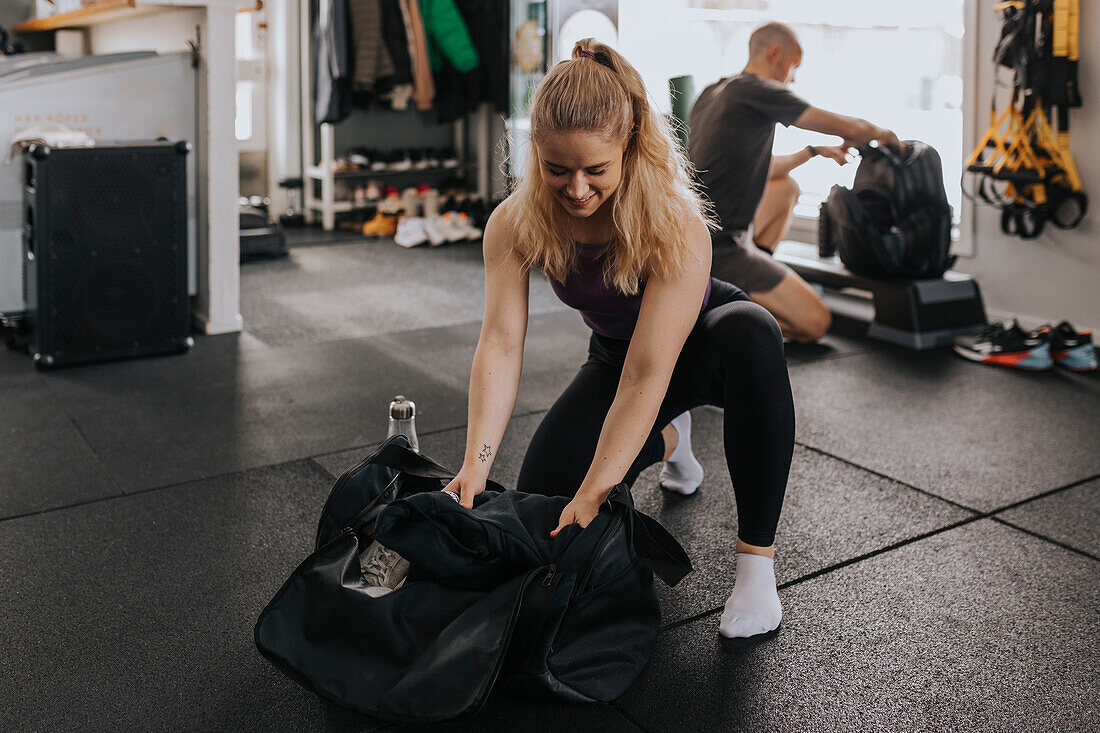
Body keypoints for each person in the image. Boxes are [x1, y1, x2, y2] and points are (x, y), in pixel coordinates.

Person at [440, 39, 796, 639]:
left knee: (755, 334)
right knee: (548, 510)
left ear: (629, 150)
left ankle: (756, 566)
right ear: (536, 153)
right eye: (557, 170)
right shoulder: (514, 221)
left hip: (699, 349)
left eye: (596, 170)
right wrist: (475, 467)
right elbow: (500, 342)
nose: (577, 189)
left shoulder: (675, 221)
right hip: (614, 359)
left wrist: (599, 487)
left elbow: (650, 372)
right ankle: (668, 440)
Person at [688, 21, 903, 342]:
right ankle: (722, 315)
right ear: (775, 53)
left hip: (694, 236)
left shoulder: (715, 91)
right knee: (816, 322)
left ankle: (736, 293)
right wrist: (884, 135)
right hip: (719, 249)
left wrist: (813, 152)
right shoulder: (759, 90)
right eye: (794, 66)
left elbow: (752, 168)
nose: (794, 77)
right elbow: (847, 126)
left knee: (787, 188)